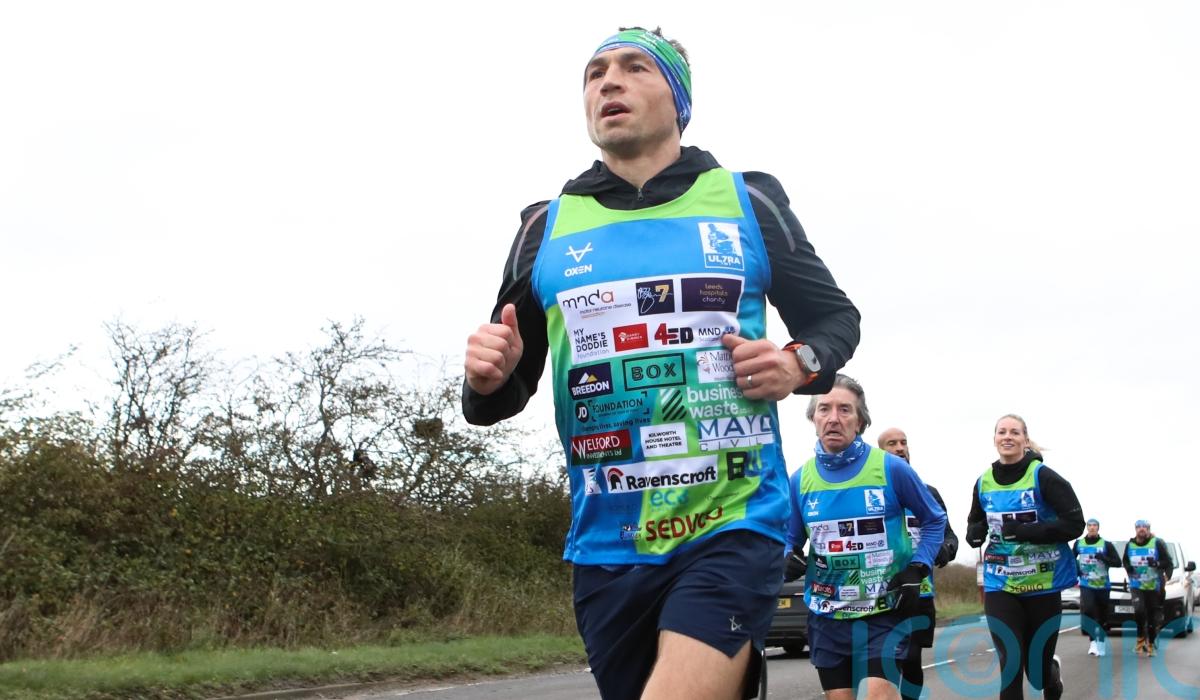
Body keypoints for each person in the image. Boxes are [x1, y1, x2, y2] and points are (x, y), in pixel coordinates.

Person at [462, 26, 861, 700]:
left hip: (732, 522)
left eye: (633, 67)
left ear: (678, 99)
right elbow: (501, 390)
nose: (608, 82)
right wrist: (486, 379)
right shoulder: (545, 227)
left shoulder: (747, 201)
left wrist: (798, 364)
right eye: (594, 74)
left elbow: (835, 319)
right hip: (608, 545)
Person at [786, 377, 946, 700]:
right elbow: (790, 539)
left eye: (845, 410)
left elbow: (934, 520)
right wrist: (787, 556)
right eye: (824, 409)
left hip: (883, 612)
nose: (833, 418)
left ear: (860, 421)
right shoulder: (800, 480)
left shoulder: (891, 469)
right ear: (813, 418)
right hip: (827, 616)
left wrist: (918, 567)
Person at [965, 415, 1083, 700]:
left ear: (1025, 440)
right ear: (994, 439)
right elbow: (974, 522)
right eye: (1002, 432)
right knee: (1011, 661)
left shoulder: (1044, 477)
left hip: (1043, 584)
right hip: (1001, 583)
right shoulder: (983, 482)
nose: (1007, 436)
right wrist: (975, 533)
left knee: (1037, 672)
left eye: (1014, 432)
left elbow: (1074, 524)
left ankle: (1051, 674)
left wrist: (1026, 531)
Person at [876, 427, 959, 700]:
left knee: (910, 659)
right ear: (880, 452)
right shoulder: (872, 492)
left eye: (903, 442)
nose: (900, 448)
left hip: (919, 591)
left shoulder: (928, 492)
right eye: (892, 443)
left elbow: (949, 535)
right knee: (885, 661)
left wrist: (945, 549)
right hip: (881, 591)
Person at [1122, 518, 1174, 657]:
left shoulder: (1157, 543)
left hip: (1153, 586)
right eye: (1139, 527)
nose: (1142, 529)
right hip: (1136, 585)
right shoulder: (1130, 545)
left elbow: (1168, 562)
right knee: (1139, 611)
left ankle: (1150, 644)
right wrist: (1129, 568)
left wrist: (1158, 565)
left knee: (1152, 616)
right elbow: (1125, 560)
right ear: (1135, 529)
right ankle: (1140, 640)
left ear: (1149, 529)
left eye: (1144, 527)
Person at [1071, 517, 1120, 657]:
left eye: (1095, 525)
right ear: (1087, 528)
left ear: (1098, 528)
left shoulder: (1106, 545)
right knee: (1088, 610)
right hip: (1086, 584)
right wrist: (1077, 571)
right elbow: (1071, 559)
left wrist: (1104, 558)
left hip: (1103, 585)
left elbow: (1117, 562)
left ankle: (1101, 642)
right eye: (1090, 525)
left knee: (1102, 615)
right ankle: (1093, 642)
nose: (1092, 528)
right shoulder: (1079, 544)